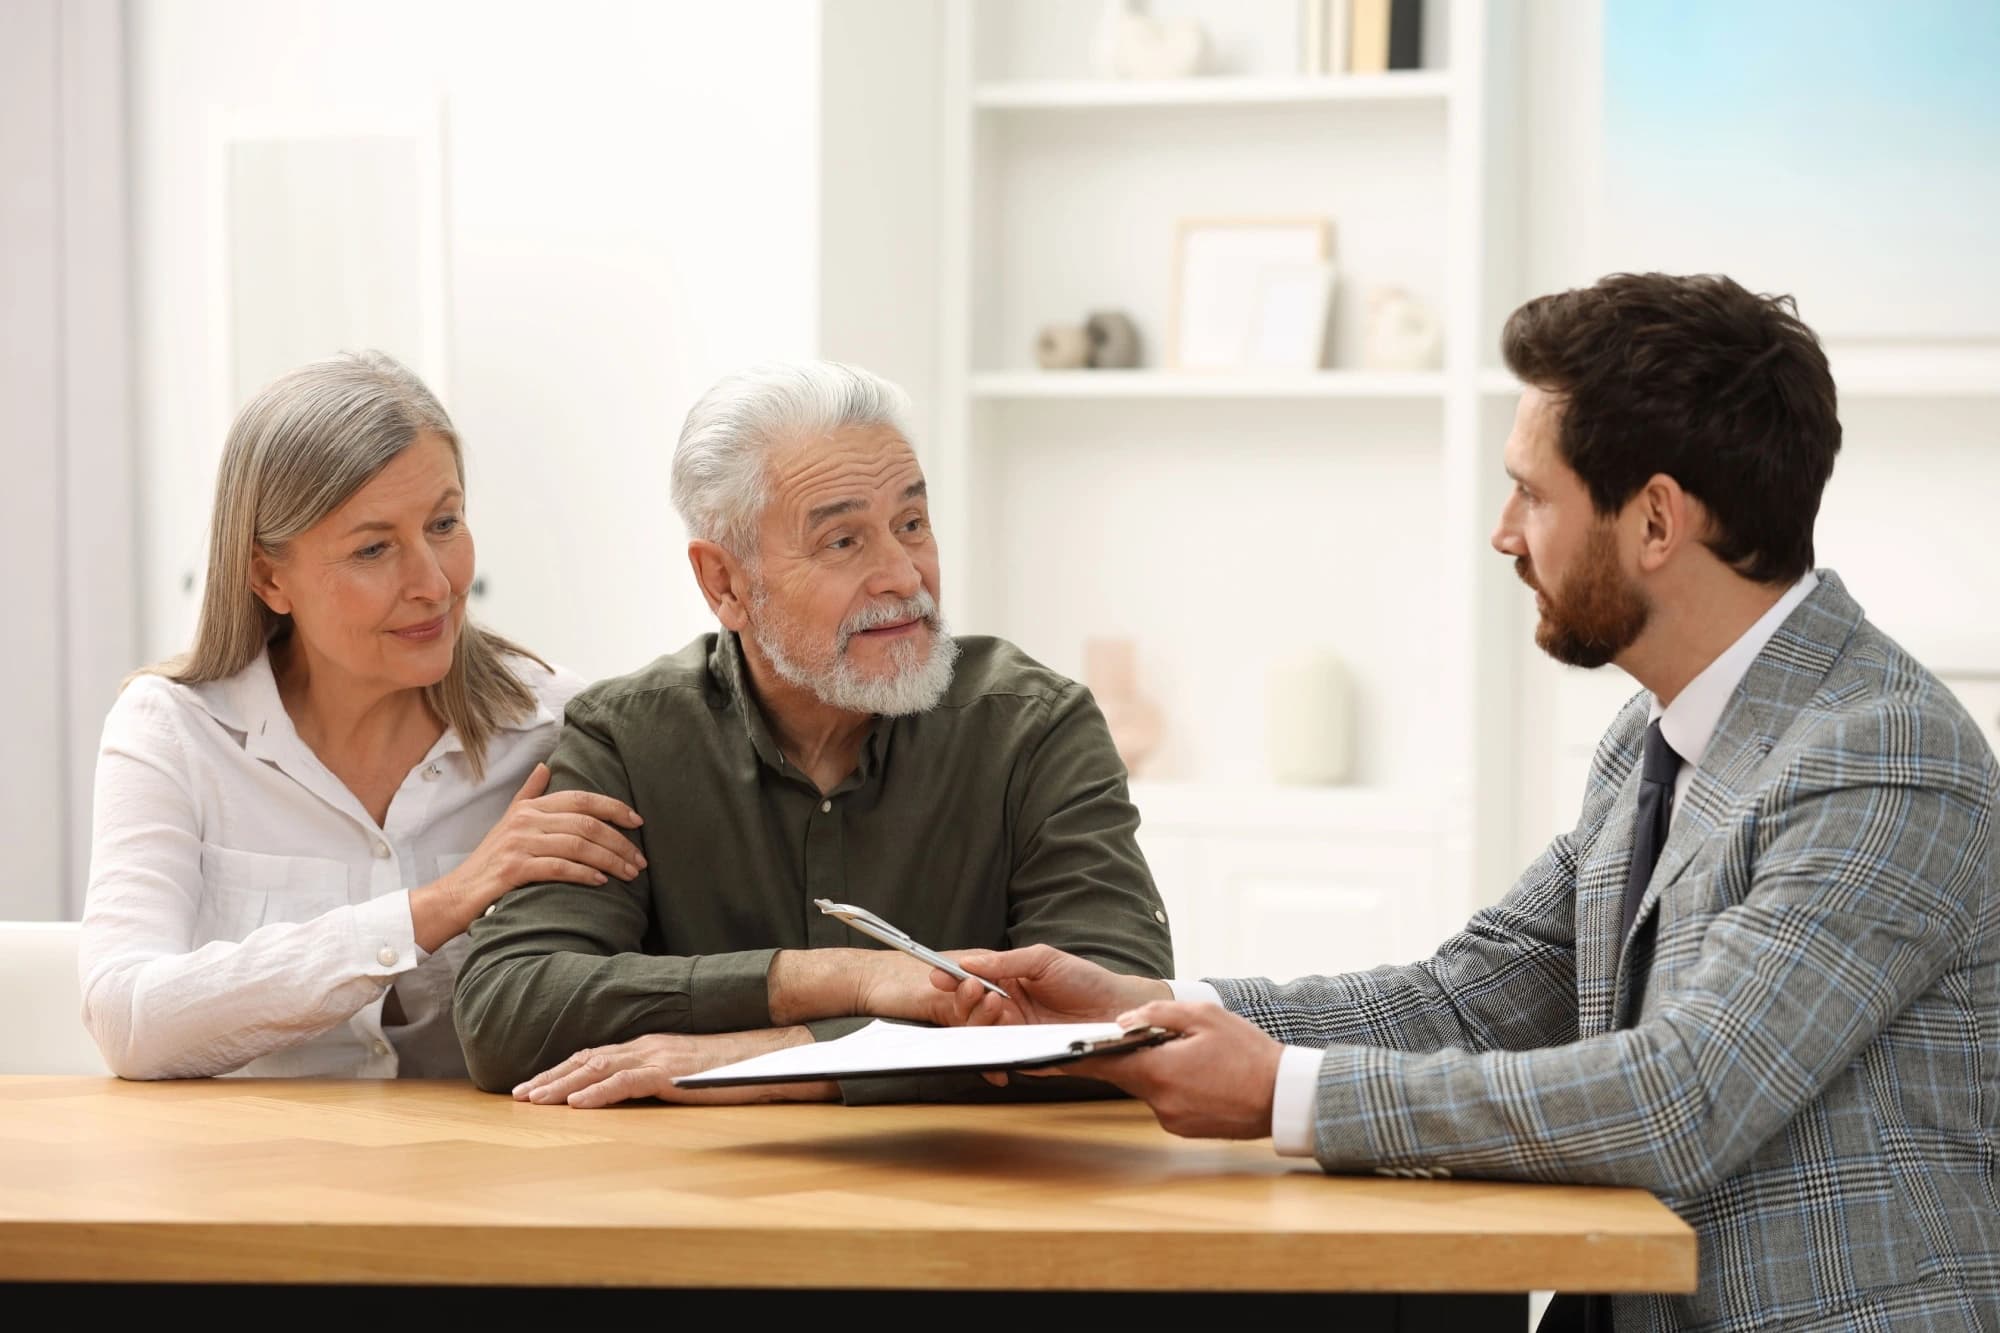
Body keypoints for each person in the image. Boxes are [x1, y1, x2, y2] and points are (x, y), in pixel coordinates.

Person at [933, 275, 2000, 1331]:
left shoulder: (1882, 756)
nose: (1503, 532)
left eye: (1531, 494)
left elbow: (1680, 1099)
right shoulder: (1655, 734)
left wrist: (1282, 1094)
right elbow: (1468, 996)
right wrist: (1136, 1010)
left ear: (1656, 520)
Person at [455, 360, 1173, 1106]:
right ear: (724, 584)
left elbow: (1122, 1019)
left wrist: (767, 1055)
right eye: (843, 542)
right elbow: (509, 1011)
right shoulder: (628, 741)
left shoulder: (1034, 730)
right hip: (694, 1203)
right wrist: (843, 976)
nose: (903, 574)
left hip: (976, 1198)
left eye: (912, 524)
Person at [80, 352, 643, 1079]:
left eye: (444, 523)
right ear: (268, 576)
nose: (434, 583)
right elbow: (127, 1018)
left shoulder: (557, 727)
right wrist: (436, 906)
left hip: (488, 1180)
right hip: (237, 1181)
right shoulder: (172, 732)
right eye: (374, 548)